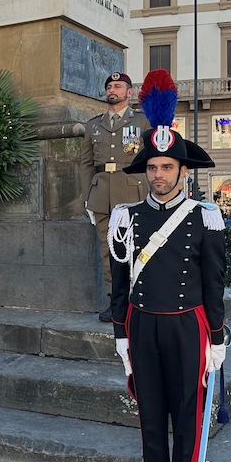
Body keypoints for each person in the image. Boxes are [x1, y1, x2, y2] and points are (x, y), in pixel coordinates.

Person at [109, 70, 227, 462]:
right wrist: (121, 333)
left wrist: (216, 336)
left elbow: (214, 282)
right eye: (152, 168)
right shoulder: (126, 217)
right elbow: (120, 283)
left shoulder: (204, 217)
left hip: (187, 326)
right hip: (143, 324)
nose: (158, 175)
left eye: (167, 167)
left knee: (189, 418)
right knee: (151, 418)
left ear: (182, 170)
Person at [81, 72, 151, 321]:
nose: (112, 90)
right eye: (109, 86)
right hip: (101, 195)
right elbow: (86, 164)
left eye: (118, 86)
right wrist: (88, 196)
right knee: (107, 250)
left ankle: (139, 298)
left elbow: (151, 158)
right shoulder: (93, 125)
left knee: (135, 247)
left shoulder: (142, 122)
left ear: (129, 92)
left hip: (132, 192)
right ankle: (116, 301)